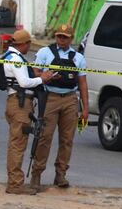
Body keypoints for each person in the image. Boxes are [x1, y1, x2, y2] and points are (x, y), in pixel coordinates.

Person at [29, 24, 89, 189]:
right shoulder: (45, 53)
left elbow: (83, 83)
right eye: (59, 36)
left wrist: (85, 108)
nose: (61, 39)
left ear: (71, 38)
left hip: (70, 99)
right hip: (50, 97)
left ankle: (61, 174)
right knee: (44, 137)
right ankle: (36, 174)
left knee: (67, 139)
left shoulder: (78, 58)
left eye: (65, 37)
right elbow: (34, 72)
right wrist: (44, 75)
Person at [3, 29, 58, 195]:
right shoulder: (15, 59)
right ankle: (15, 184)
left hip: (18, 103)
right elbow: (24, 82)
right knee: (17, 145)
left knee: (17, 143)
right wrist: (43, 79)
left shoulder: (11, 56)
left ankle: (15, 182)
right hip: (19, 104)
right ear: (23, 44)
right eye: (28, 44)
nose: (29, 47)